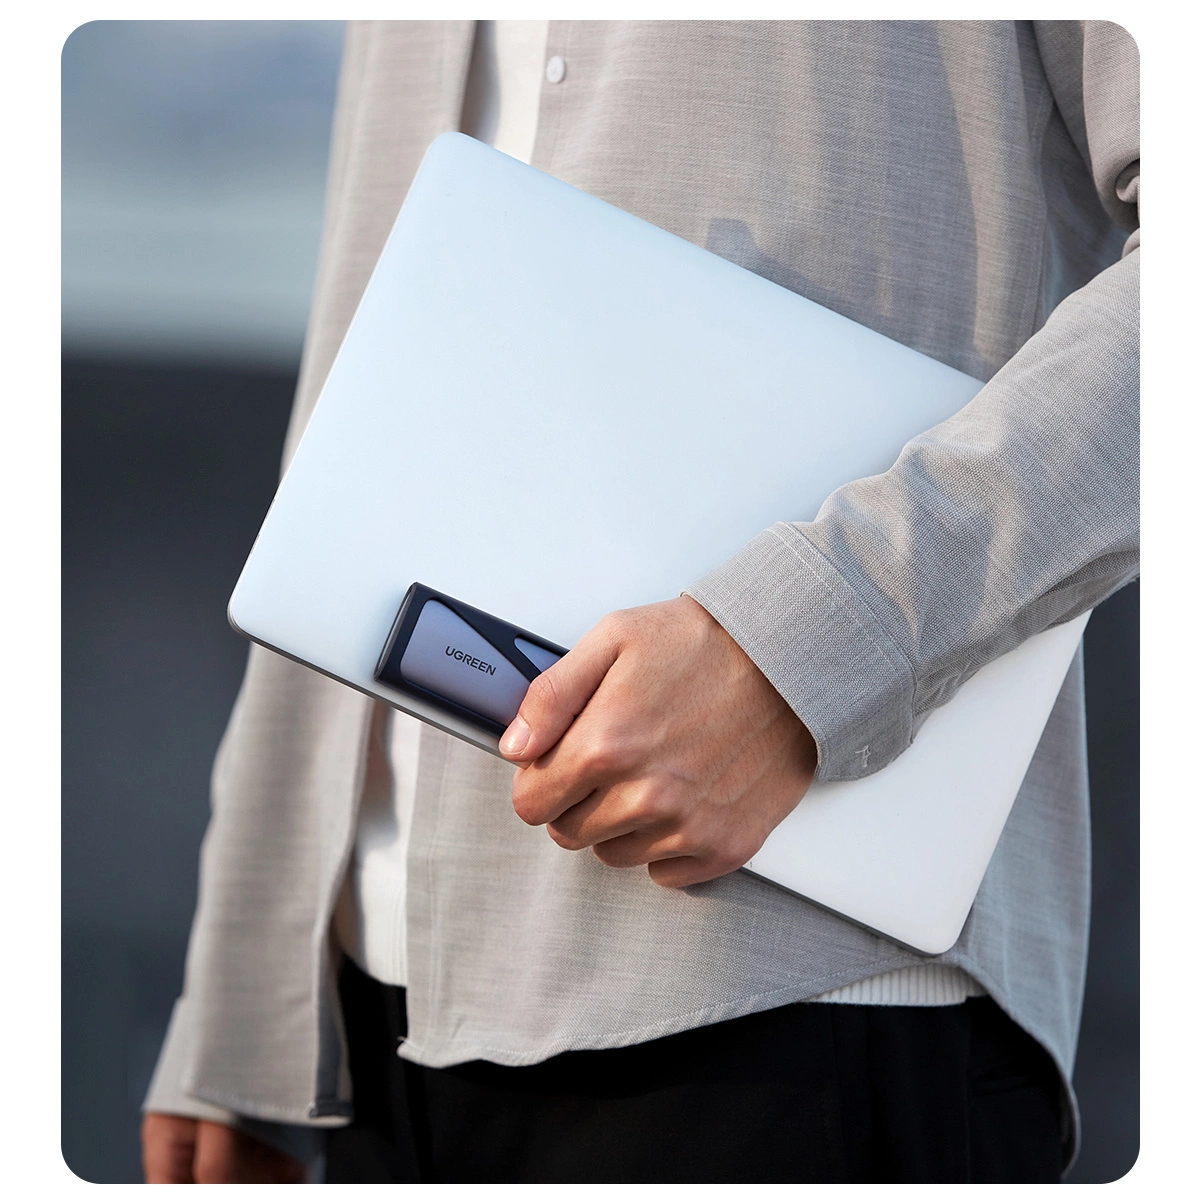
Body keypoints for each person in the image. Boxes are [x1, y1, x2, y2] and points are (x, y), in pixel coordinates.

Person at [141, 19, 1138, 1183]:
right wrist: (245, 982)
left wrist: (807, 646)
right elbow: (363, 347)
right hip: (359, 1013)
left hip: (801, 992)